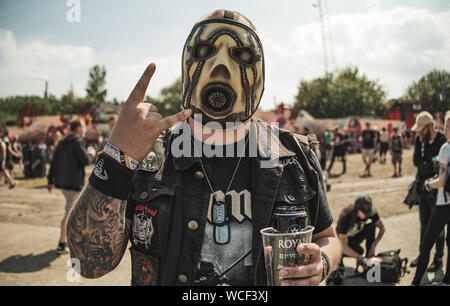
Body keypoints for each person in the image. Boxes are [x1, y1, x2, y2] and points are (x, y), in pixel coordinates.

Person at [66, 10, 341, 286]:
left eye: (241, 55)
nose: (220, 67)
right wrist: (117, 158)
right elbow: (88, 263)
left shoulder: (295, 155)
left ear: (259, 71)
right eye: (204, 50)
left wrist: (323, 261)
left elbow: (327, 237)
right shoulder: (148, 156)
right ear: (186, 63)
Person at [412, 111, 450, 286]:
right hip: (429, 195)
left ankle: (418, 279)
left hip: (441, 200)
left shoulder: (445, 146)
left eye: (448, 126)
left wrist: (429, 183)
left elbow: (440, 179)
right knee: (426, 229)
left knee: (432, 239)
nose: (445, 129)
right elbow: (417, 163)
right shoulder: (421, 142)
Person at [47, 119, 94, 254]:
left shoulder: (62, 141)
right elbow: (86, 161)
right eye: (84, 127)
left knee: (75, 211)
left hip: (62, 182)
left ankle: (75, 239)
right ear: (78, 128)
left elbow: (53, 163)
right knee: (70, 212)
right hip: (74, 184)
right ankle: (62, 243)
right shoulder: (77, 141)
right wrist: (91, 153)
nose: (85, 130)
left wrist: (50, 180)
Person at [336, 195, 385, 266]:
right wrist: (362, 258)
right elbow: (344, 247)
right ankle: (339, 258)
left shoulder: (370, 212)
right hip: (343, 241)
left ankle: (369, 258)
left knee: (371, 227)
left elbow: (382, 229)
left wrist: (373, 246)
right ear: (357, 210)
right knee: (359, 251)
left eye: (368, 212)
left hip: (356, 234)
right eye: (365, 213)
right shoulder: (345, 217)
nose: (367, 215)